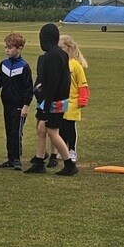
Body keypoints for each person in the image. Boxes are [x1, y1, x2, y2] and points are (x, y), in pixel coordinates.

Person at [25, 23, 77, 176]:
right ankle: (39, 161)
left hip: (53, 101)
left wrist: (46, 104)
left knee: (52, 131)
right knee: (41, 129)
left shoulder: (51, 57)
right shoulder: (60, 54)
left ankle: (69, 164)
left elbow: (52, 82)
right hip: (56, 100)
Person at [0, 32, 34, 171]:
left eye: (10, 47)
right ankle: (10, 158)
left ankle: (17, 159)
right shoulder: (4, 64)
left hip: (19, 105)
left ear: (19, 49)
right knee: (9, 130)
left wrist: (26, 106)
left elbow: (29, 89)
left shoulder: (24, 66)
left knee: (16, 132)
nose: (7, 50)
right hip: (7, 104)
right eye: (6, 47)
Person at [48, 34, 90, 165]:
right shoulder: (59, 63)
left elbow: (82, 84)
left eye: (61, 47)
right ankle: (63, 148)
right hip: (61, 100)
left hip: (73, 101)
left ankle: (72, 150)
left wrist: (83, 98)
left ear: (69, 47)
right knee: (60, 126)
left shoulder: (75, 65)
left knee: (69, 126)